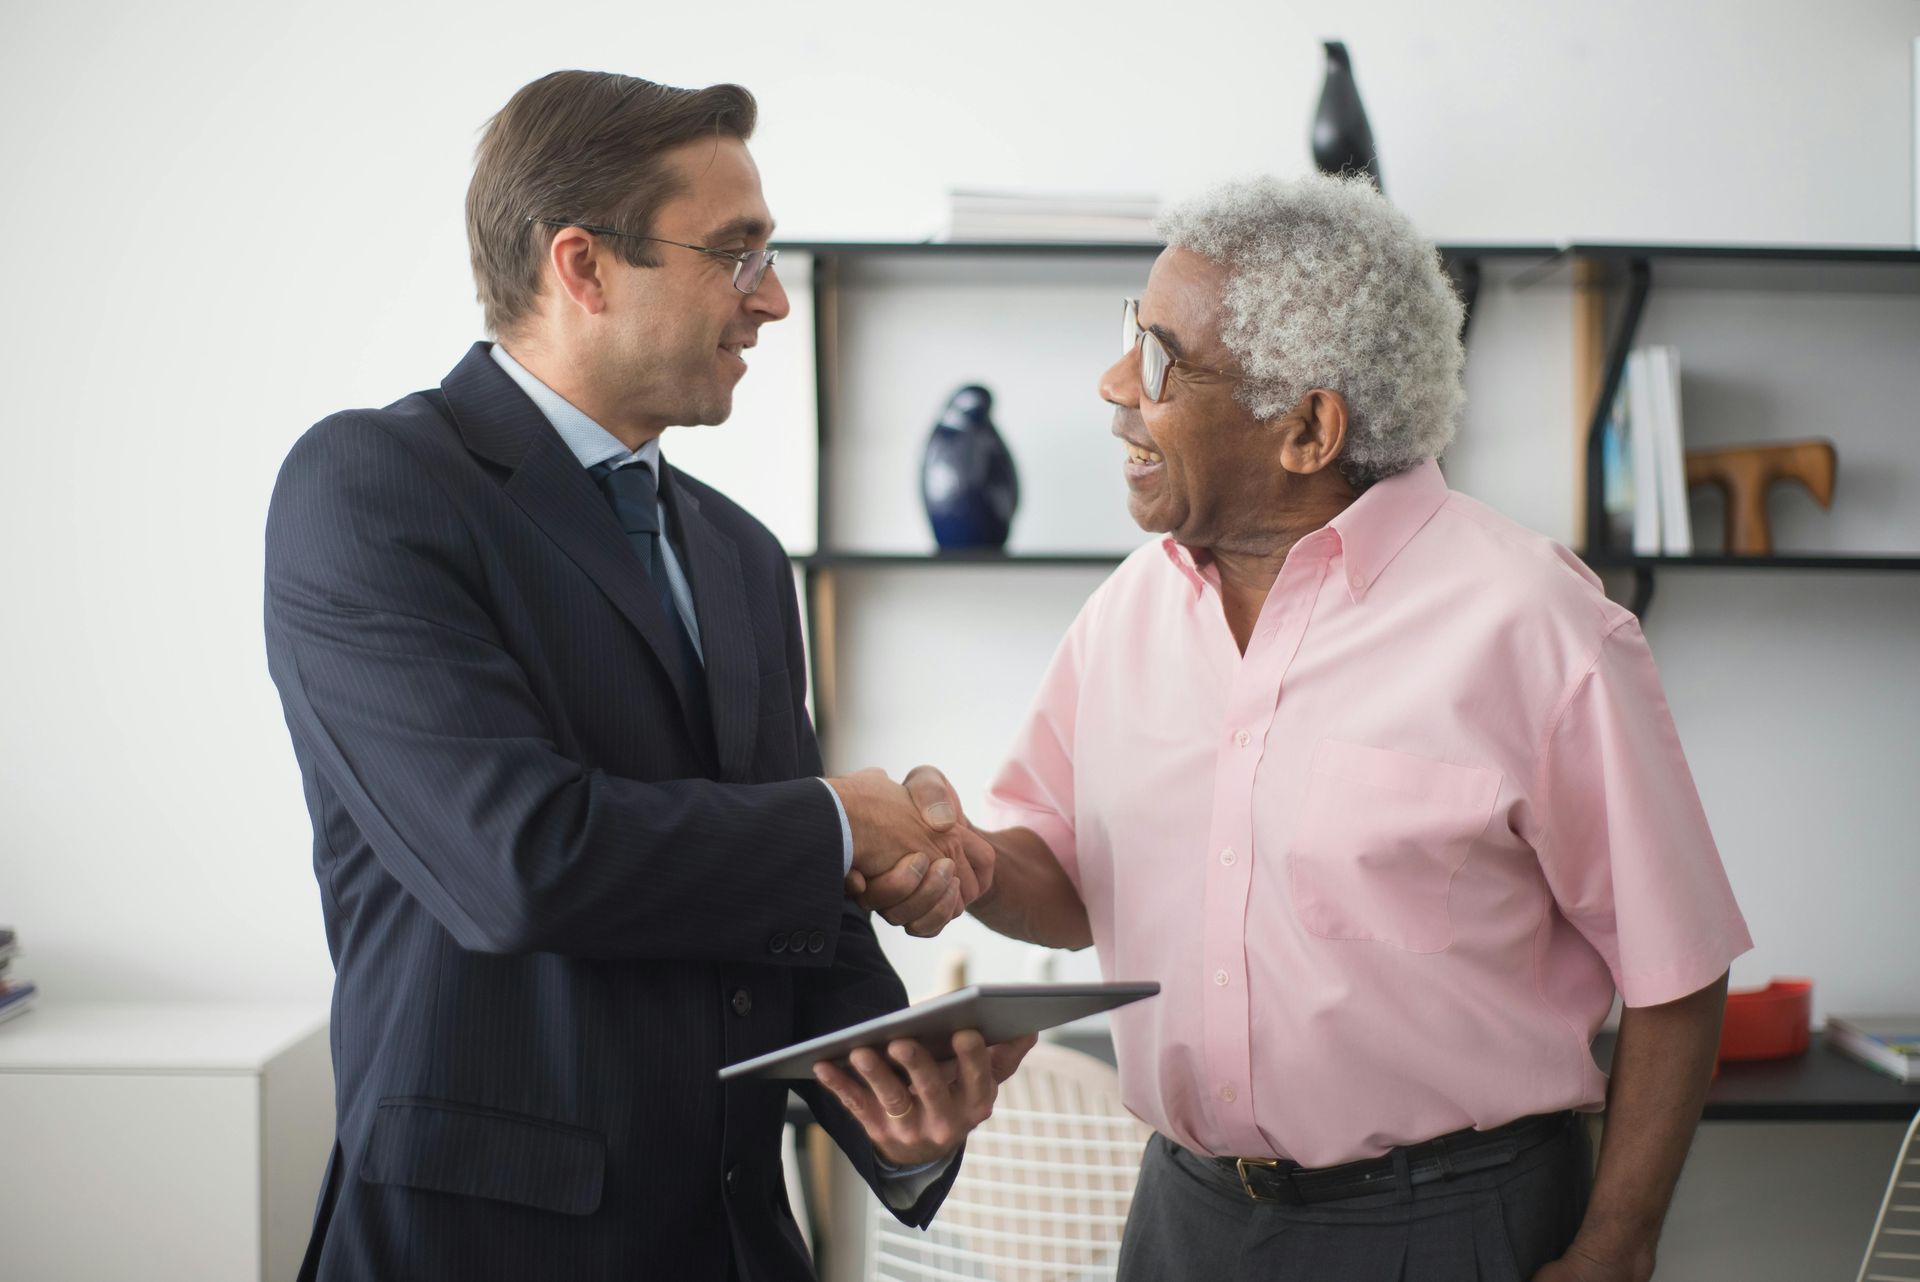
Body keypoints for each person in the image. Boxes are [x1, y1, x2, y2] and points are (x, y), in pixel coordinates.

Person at [902, 174, 1751, 1282]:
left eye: (1160, 359)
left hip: (1448, 1226)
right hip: (1183, 1217)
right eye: (1130, 335)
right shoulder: (1128, 609)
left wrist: (1617, 1246)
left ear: (1309, 428)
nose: (1116, 387)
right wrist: (962, 859)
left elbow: (1676, 967)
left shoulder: (1533, 620)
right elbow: (1062, 879)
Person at [264, 70, 1026, 1282]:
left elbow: (795, 919)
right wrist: (840, 820)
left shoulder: (740, 554)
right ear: (584, 266)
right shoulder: (370, 486)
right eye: (736, 254)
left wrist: (900, 1103)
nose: (772, 299)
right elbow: (519, 861)